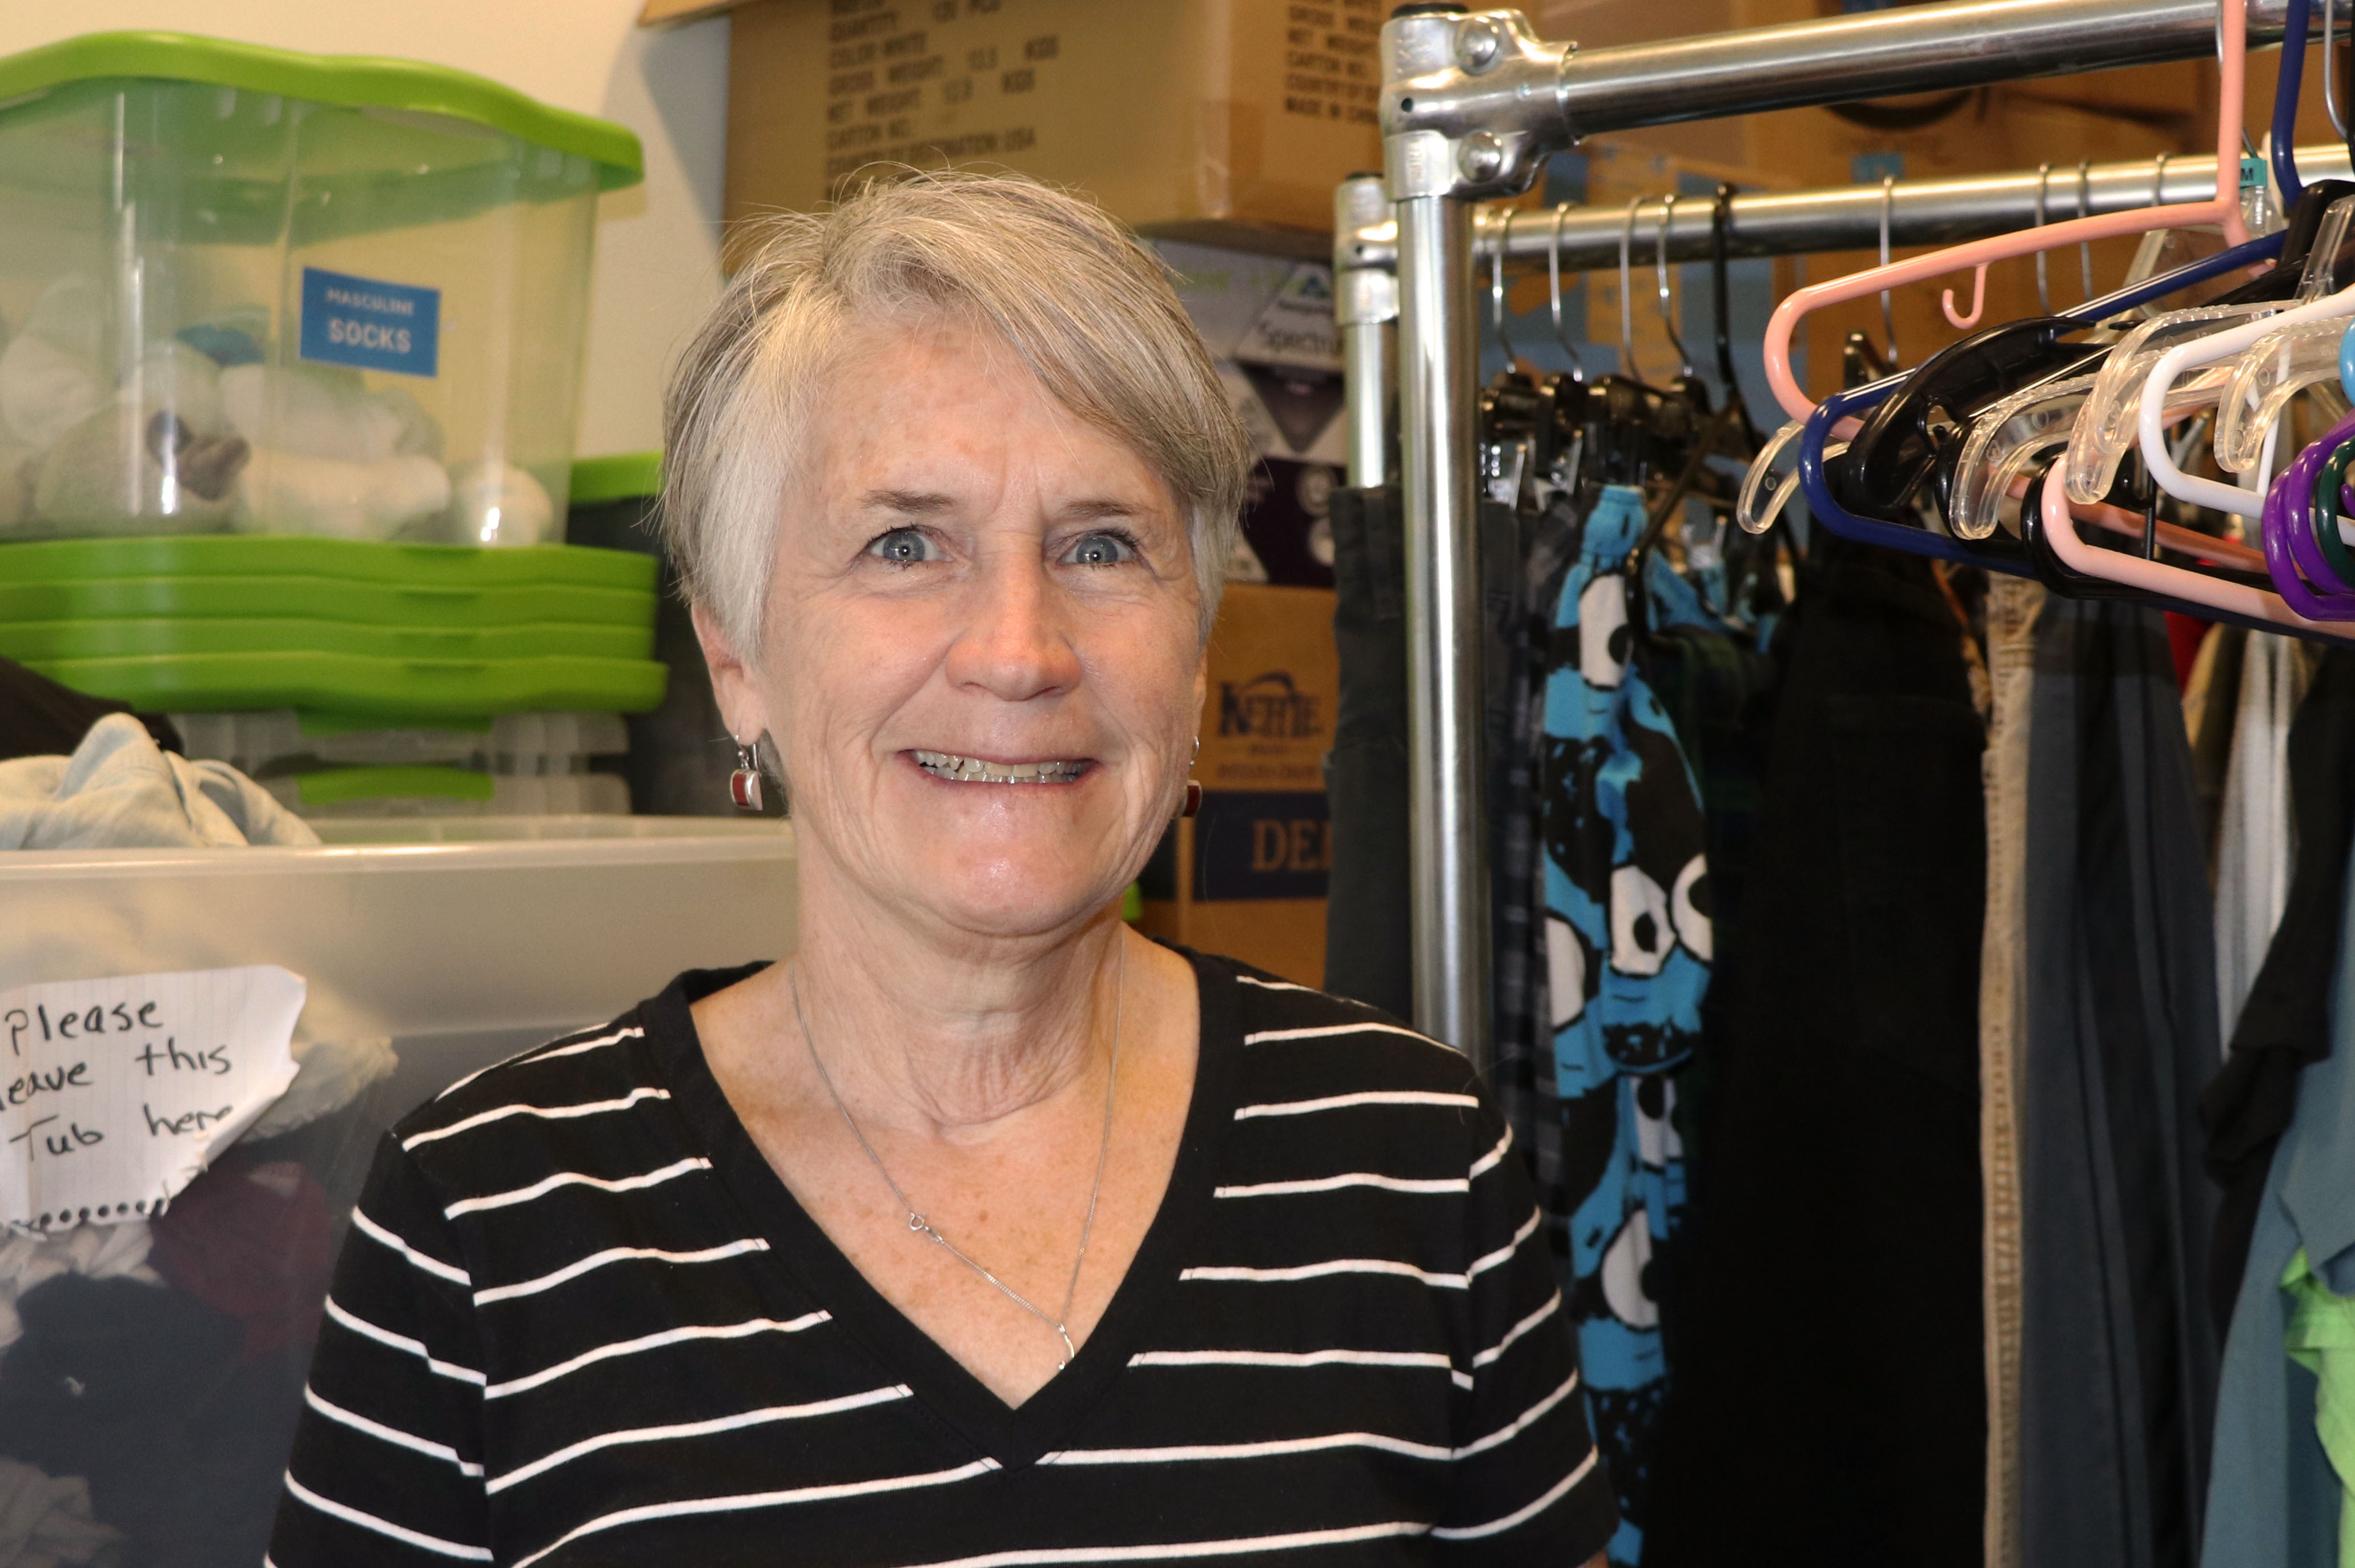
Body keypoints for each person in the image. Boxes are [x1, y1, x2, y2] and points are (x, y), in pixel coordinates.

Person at [267, 171, 1615, 1567]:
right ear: (735, 654)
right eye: (903, 543)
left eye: (1103, 545)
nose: (1018, 650)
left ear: (1200, 647)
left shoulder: (1412, 1153)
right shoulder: (488, 1216)